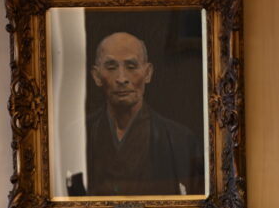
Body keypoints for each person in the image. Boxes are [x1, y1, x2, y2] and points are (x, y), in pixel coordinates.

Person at [71, 31, 204, 196]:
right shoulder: (76, 137)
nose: (121, 78)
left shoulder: (181, 141)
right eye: (111, 67)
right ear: (97, 76)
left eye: (131, 66)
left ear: (147, 73)